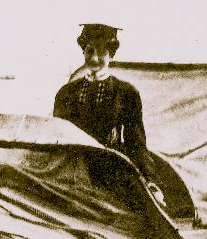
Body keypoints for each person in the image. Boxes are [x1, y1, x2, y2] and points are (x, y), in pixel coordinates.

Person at [53, 23, 156, 180]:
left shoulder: (127, 92)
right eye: (90, 51)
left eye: (101, 51)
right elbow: (57, 137)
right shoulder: (66, 93)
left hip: (109, 168)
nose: (94, 58)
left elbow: (136, 144)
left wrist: (149, 179)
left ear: (111, 54)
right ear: (83, 52)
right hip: (71, 165)